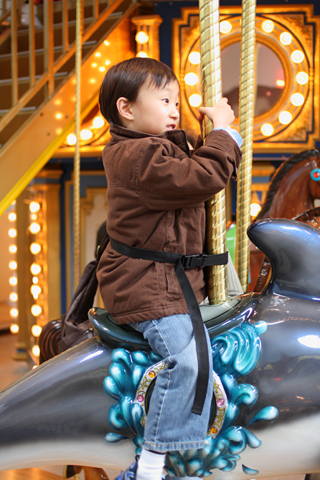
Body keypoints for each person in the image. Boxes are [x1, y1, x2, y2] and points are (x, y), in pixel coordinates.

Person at [97, 57, 242, 480]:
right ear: (127, 108)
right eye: (164, 100)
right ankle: (151, 465)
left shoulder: (155, 148)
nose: (175, 108)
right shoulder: (136, 155)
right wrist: (224, 133)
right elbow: (202, 176)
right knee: (189, 361)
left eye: (176, 100)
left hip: (167, 282)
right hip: (147, 287)